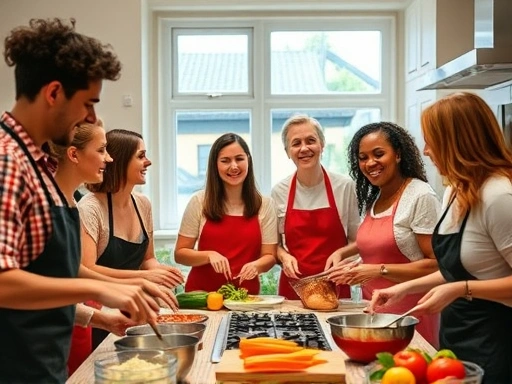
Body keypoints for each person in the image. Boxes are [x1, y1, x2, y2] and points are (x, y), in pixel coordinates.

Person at [0, 18, 163, 383]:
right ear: (54, 93)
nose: (90, 117)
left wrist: (99, 316)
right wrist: (98, 287)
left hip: (43, 367)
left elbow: (40, 282)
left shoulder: (37, 166)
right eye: (88, 103)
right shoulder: (8, 162)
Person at [369, 92, 512, 383]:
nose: (425, 151)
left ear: (456, 141)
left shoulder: (499, 195)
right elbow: (458, 270)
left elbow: (463, 282)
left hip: (497, 343)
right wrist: (405, 288)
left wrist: (461, 290)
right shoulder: (454, 190)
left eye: (431, 141)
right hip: (458, 340)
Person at [50, 120, 174, 375]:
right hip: (82, 317)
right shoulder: (86, 207)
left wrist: (158, 275)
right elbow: (81, 271)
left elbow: (74, 273)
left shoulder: (74, 204)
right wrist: (139, 280)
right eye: (101, 150)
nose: (106, 159)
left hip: (96, 315)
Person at [328, 121, 441, 346]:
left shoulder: (420, 196)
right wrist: (350, 259)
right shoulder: (376, 196)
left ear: (398, 155)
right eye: (363, 157)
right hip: (374, 315)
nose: (370, 163)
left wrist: (377, 270)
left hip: (411, 318)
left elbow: (436, 264)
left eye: (379, 154)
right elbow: (378, 247)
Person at [78, 128, 183, 349]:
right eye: (141, 156)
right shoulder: (90, 208)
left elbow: (148, 260)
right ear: (120, 161)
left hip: (134, 307)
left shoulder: (143, 204)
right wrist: (142, 279)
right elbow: (88, 269)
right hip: (101, 314)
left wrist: (162, 273)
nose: (149, 162)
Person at [175, 133, 277, 293]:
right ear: (215, 165)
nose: (234, 166)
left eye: (239, 159)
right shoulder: (199, 201)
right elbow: (180, 254)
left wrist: (257, 265)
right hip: (202, 296)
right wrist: (209, 255)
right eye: (225, 161)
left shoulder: (265, 205)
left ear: (248, 160)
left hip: (245, 298)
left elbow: (270, 256)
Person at [271, 114, 360, 299]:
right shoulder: (280, 191)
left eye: (311, 140)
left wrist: (342, 255)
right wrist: (284, 257)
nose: (304, 148)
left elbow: (358, 242)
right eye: (296, 143)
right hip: (294, 286)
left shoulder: (344, 186)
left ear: (322, 145)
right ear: (287, 151)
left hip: (335, 284)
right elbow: (274, 245)